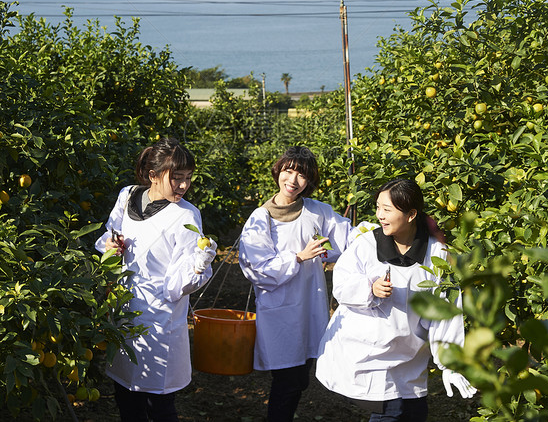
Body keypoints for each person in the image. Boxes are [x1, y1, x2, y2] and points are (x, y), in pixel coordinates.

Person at [315, 178, 476, 422]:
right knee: (390, 412)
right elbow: (342, 284)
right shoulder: (367, 244)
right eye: (378, 207)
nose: (380, 215)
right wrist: (370, 289)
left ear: (411, 214)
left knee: (413, 412)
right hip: (369, 351)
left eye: (387, 209)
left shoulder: (436, 254)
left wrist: (450, 362)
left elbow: (446, 310)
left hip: (409, 354)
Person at [95, 137, 217, 422]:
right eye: (176, 178)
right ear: (153, 175)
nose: (184, 186)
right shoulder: (127, 196)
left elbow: (179, 283)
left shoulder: (186, 214)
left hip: (158, 318)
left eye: (188, 178)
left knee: (159, 405)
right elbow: (108, 234)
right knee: (126, 397)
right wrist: (112, 246)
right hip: (123, 309)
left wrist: (200, 264)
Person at [238, 146, 353, 422]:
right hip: (280, 312)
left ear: (309, 181)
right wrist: (298, 257)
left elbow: (347, 239)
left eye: (301, 175)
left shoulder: (318, 212)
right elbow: (258, 269)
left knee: (300, 378)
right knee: (287, 381)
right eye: (288, 171)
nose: (292, 180)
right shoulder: (260, 218)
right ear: (278, 171)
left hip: (310, 307)